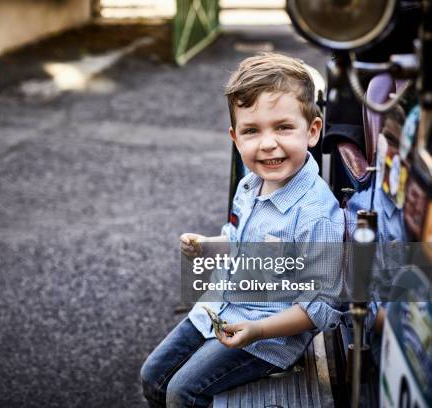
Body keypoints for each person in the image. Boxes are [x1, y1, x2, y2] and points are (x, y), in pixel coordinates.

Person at [140, 53, 345, 408]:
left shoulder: (315, 214)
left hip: (268, 336)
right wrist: (209, 246)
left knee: (182, 393)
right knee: (152, 378)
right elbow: (240, 244)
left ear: (312, 131)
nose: (267, 143)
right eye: (252, 131)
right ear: (236, 139)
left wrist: (259, 330)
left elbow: (322, 307)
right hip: (219, 309)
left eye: (283, 127)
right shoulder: (251, 186)